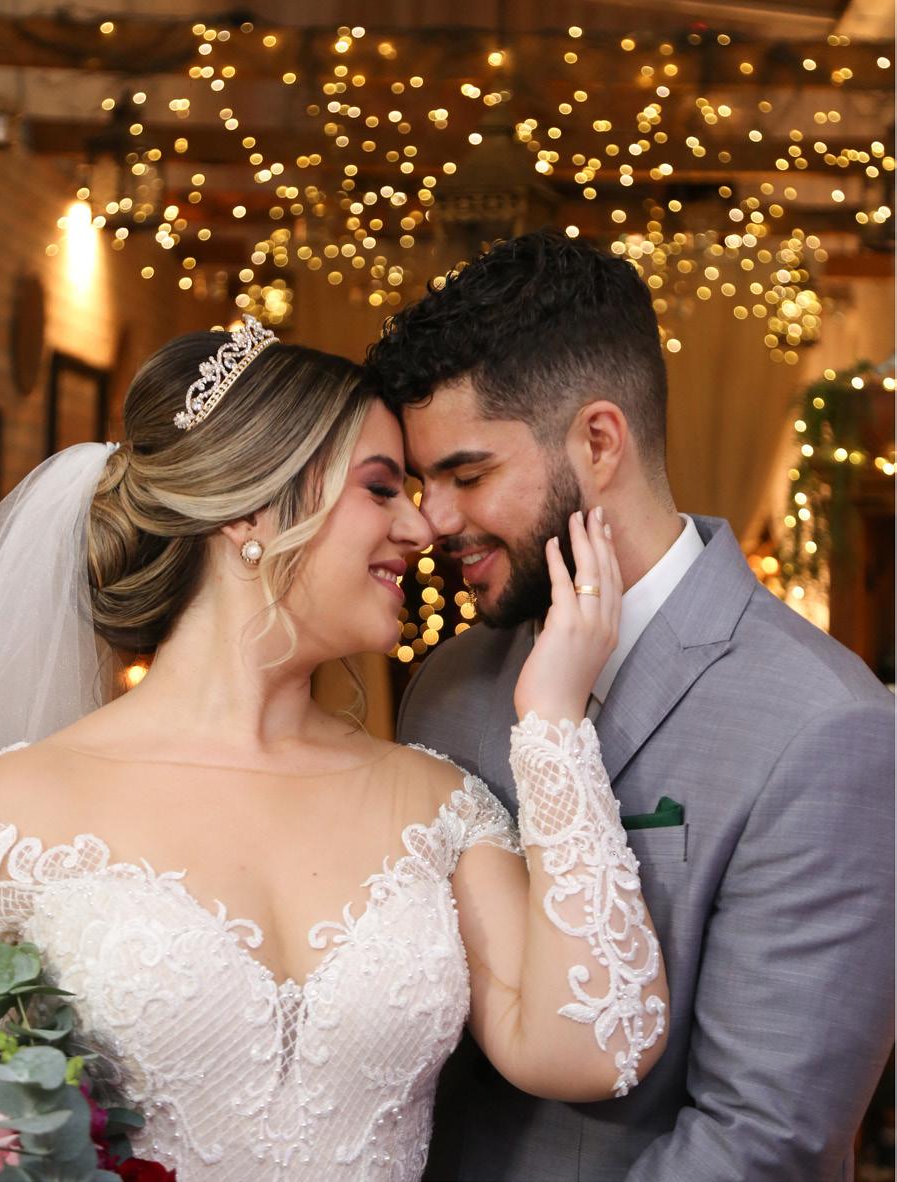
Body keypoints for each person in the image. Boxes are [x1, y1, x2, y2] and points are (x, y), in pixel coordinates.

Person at [0, 316, 669, 1180]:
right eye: (381, 488)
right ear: (248, 507)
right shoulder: (6, 813)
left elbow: (597, 1047)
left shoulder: (438, 807)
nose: (420, 528)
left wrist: (553, 724)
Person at [363, 229, 896, 1182]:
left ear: (599, 441)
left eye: (467, 475)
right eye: (419, 481)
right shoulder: (447, 685)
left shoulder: (823, 727)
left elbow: (764, 1141)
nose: (433, 520)